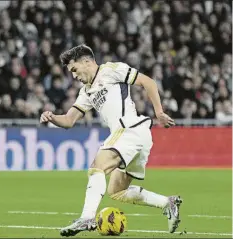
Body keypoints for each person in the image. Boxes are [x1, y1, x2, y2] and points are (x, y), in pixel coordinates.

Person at [39, 45, 182, 237]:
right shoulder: (86, 91)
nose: (74, 76)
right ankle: (167, 203)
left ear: (86, 62)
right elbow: (69, 120)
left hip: (130, 127)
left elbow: (148, 82)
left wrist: (159, 112)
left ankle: (87, 218)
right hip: (135, 136)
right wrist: (52, 117)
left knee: (97, 167)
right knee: (116, 190)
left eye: (74, 70)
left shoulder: (111, 70)